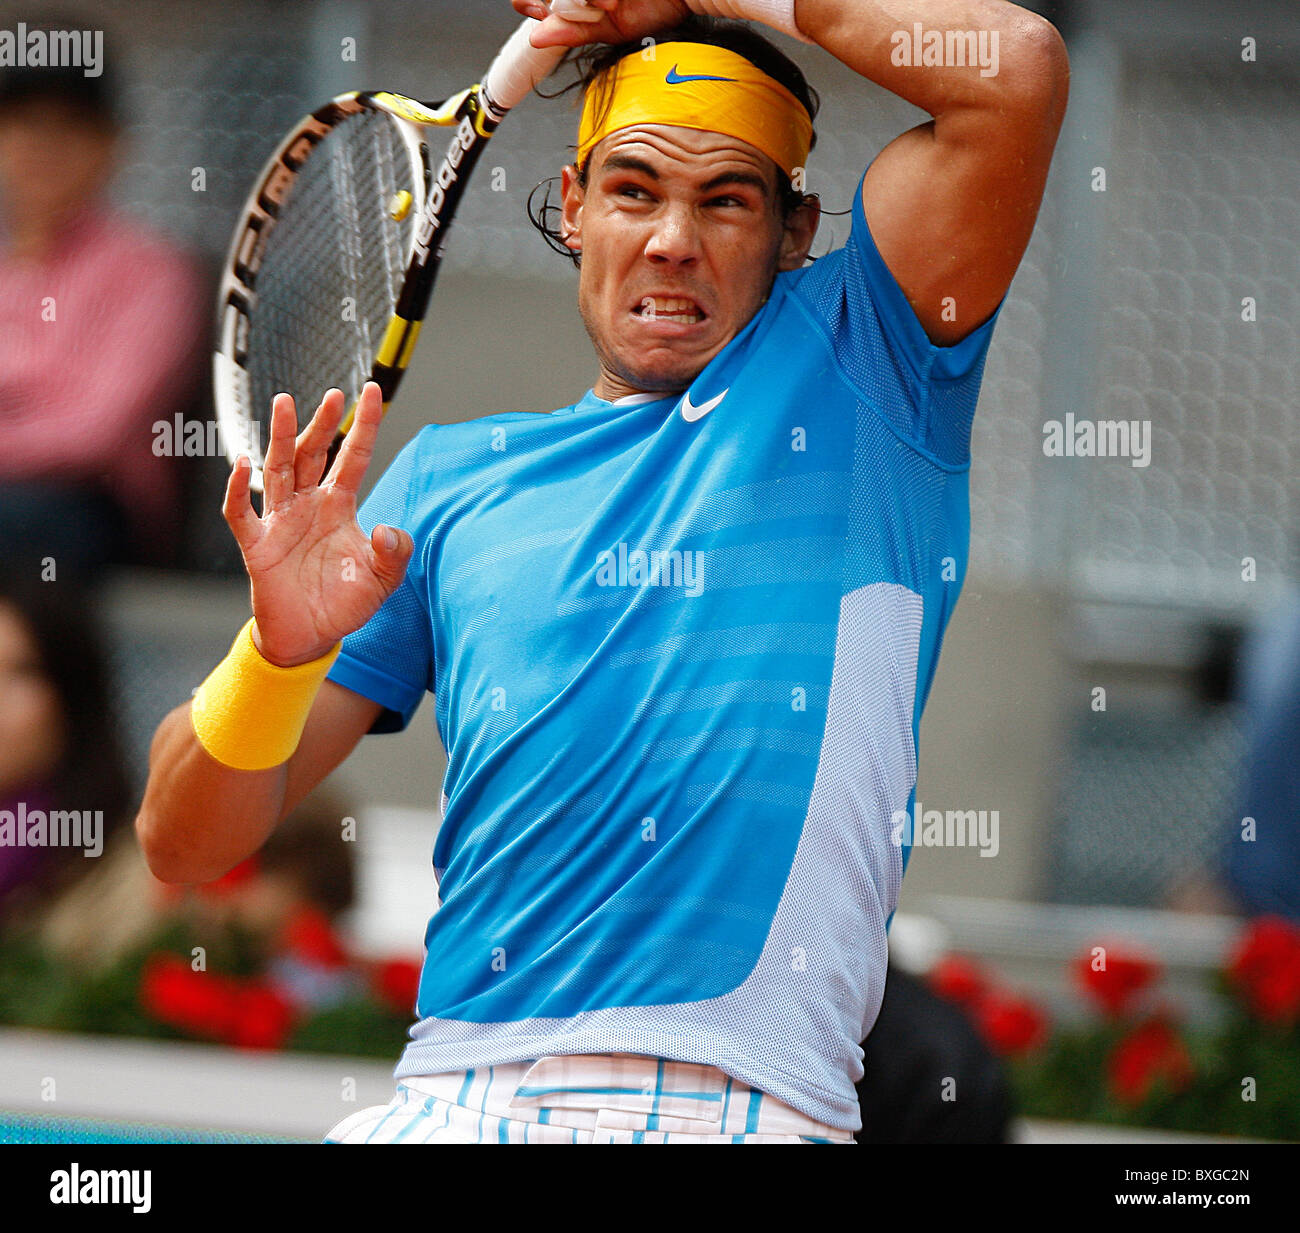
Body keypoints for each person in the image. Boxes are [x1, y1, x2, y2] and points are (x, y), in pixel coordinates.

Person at [137, 0, 1068, 1143]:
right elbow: (181, 845)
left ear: (793, 231)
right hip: (441, 1098)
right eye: (633, 188)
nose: (672, 237)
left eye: (726, 199)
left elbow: (1014, 71)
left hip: (736, 1110)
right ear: (574, 208)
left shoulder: (866, 364)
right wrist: (272, 659)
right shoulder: (442, 484)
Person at [0, 40, 206, 575]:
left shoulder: (151, 272)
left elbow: (93, 433)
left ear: (110, 144)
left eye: (68, 127)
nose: (44, 148)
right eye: (23, 124)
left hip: (88, 509)